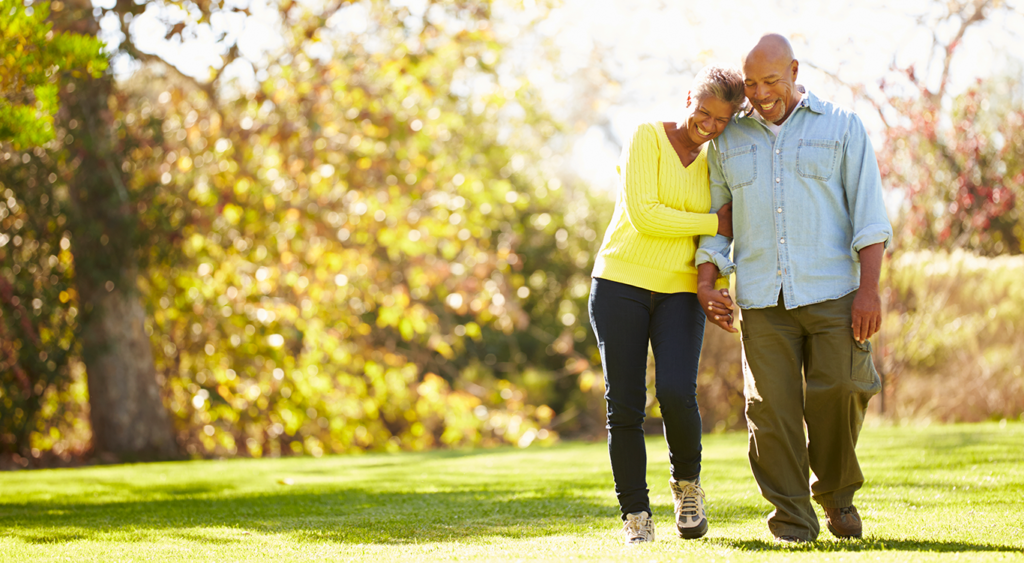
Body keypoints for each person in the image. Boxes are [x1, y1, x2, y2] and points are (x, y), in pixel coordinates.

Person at [695, 34, 893, 543]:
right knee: (770, 413)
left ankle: (836, 495)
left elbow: (869, 215)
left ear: (795, 70)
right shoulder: (728, 141)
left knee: (845, 388)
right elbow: (720, 219)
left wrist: (869, 290)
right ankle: (792, 521)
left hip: (834, 291)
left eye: (771, 81)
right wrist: (707, 279)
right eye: (753, 84)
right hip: (762, 298)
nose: (761, 94)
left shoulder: (842, 126)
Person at [588, 65, 746, 545]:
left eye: (722, 119)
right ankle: (636, 514)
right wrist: (710, 221)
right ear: (688, 100)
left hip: (681, 290)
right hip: (620, 282)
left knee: (677, 391)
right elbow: (645, 214)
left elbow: (725, 234)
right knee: (626, 405)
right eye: (704, 112)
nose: (710, 125)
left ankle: (687, 487)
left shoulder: (718, 160)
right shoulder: (645, 137)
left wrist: (717, 278)